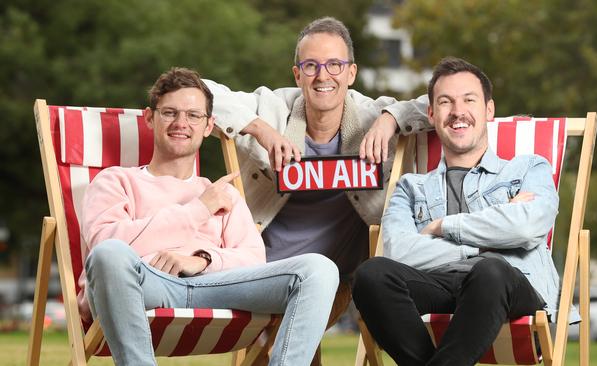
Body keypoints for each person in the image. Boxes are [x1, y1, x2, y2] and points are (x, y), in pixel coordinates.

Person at [78, 67, 339, 366]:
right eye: (169, 113)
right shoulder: (115, 181)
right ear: (150, 119)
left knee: (319, 269)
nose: (181, 123)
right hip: (145, 286)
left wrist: (202, 260)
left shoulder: (222, 193)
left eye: (193, 115)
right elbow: (105, 250)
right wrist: (197, 210)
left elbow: (253, 260)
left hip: (216, 287)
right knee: (109, 254)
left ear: (208, 125)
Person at [202, 17, 430, 339]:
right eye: (311, 66)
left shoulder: (372, 115)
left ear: (351, 73)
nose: (323, 76)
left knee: (304, 305)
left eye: (335, 65)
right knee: (290, 327)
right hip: (258, 271)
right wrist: (260, 129)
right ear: (297, 75)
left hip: (334, 279)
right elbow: (195, 90)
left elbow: (442, 101)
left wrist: (392, 118)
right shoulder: (271, 108)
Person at [352, 57, 570, 366]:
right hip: (440, 287)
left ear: (488, 110)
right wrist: (487, 241)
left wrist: (442, 227)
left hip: (512, 291)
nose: (458, 112)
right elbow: (398, 252)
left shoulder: (528, 168)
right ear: (431, 113)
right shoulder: (410, 187)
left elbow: (525, 228)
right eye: (445, 102)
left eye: (469, 100)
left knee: (490, 270)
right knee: (371, 274)